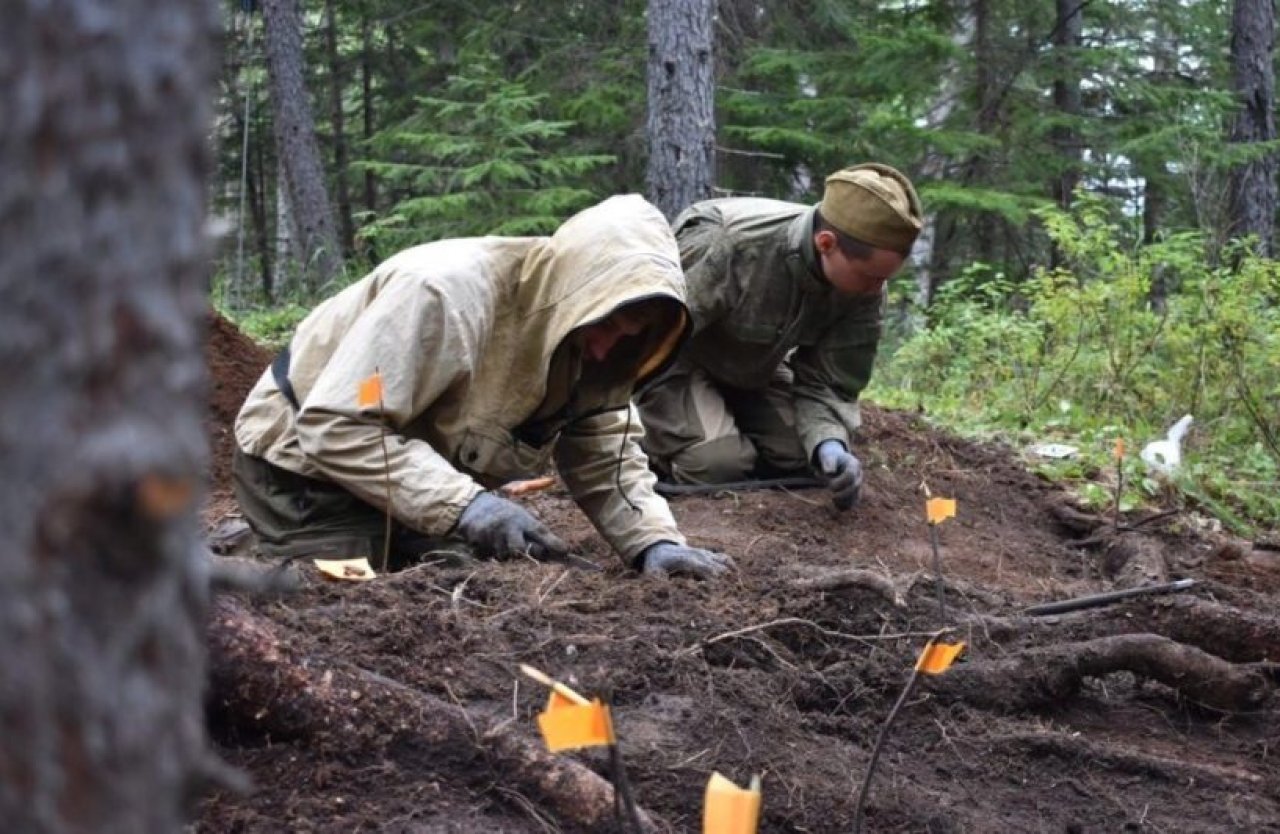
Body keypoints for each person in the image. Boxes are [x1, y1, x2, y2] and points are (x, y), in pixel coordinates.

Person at [233, 195, 734, 579]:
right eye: (606, 325)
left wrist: (653, 542)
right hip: (304, 471)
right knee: (348, 595)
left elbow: (606, 454)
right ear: (579, 293)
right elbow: (337, 425)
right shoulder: (441, 295)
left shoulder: (593, 350)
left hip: (407, 479)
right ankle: (227, 558)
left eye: (631, 336)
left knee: (471, 583)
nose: (607, 349)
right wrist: (468, 506)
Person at [635, 164, 923, 511]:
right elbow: (644, 338)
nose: (876, 289)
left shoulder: (864, 284)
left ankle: (726, 424)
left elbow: (830, 381)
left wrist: (829, 444)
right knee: (719, 465)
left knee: (807, 457)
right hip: (676, 359)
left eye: (884, 278)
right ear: (826, 243)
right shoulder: (728, 244)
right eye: (870, 277)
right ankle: (664, 443)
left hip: (754, 369)